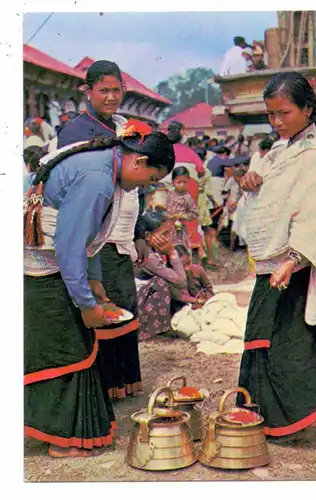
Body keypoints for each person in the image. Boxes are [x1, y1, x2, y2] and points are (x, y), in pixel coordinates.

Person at [24, 125, 175, 458]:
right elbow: (69, 243)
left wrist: (92, 282)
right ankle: (60, 440)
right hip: (40, 269)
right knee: (67, 349)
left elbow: (90, 237)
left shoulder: (109, 167)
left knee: (74, 345)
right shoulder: (97, 178)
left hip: (55, 265)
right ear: (140, 161)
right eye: (150, 180)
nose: (145, 186)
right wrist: (86, 304)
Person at [236, 71, 316, 441]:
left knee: (291, 344)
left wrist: (293, 259)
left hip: (294, 267)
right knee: (260, 337)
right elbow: (263, 205)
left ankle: (297, 421)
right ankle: (266, 417)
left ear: (307, 109)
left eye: (283, 113)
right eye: (270, 114)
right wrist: (249, 182)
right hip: (269, 264)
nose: (276, 122)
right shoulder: (274, 153)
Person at [56, 60, 148, 400]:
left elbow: (136, 184)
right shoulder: (75, 131)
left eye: (116, 89)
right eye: (104, 90)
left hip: (121, 232)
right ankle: (105, 386)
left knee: (124, 303)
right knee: (102, 306)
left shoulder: (124, 127)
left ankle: (125, 381)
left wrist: (139, 232)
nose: (111, 96)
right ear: (87, 91)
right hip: (94, 233)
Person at [134, 211, 188, 341]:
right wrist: (172, 252)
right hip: (136, 308)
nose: (168, 238)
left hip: (138, 303)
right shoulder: (148, 256)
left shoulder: (149, 250)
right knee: (161, 282)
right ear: (147, 235)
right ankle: (157, 331)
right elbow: (181, 282)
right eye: (164, 234)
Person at [166, 166, 199, 251]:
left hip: (179, 230)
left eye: (184, 182)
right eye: (179, 182)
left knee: (179, 250)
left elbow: (194, 214)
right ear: (173, 182)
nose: (182, 185)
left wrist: (181, 215)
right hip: (167, 227)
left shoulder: (187, 198)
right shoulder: (169, 194)